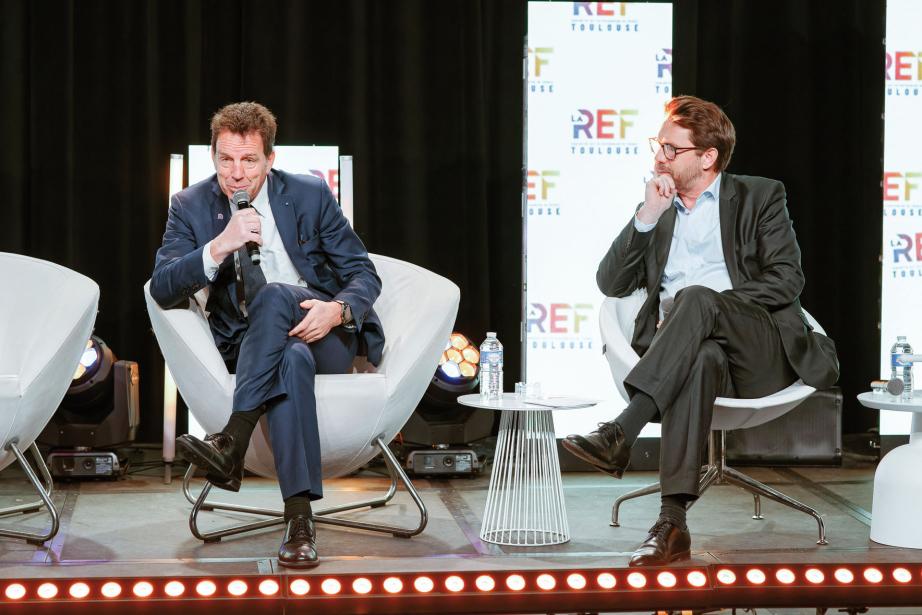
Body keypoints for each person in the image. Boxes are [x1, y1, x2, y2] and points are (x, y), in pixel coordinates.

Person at [562, 95, 838, 567]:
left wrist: (709, 307)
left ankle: (621, 431)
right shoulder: (658, 209)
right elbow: (611, 283)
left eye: (671, 149)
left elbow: (787, 278)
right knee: (703, 354)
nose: (659, 157)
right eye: (658, 146)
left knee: (696, 299)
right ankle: (672, 524)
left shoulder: (760, 196)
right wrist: (646, 216)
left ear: (707, 158)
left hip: (758, 351)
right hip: (693, 357)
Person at [150, 101, 383, 568]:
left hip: (324, 334)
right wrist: (219, 246)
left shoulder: (311, 194)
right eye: (226, 160)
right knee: (289, 358)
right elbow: (162, 285)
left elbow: (364, 273)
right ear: (214, 158)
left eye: (249, 160)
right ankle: (299, 519)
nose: (236, 174)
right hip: (249, 343)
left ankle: (231, 440)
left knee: (279, 298)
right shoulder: (190, 205)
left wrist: (337, 311)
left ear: (270, 159)